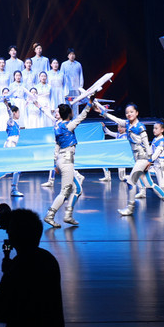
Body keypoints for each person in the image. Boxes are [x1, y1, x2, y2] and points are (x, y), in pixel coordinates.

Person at [35, 73, 111, 228]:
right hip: (67, 161)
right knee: (65, 191)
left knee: (77, 189)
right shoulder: (68, 126)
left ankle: (68, 215)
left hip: (61, 160)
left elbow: (56, 146)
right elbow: (82, 116)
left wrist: (54, 163)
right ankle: (50, 215)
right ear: (68, 114)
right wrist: (90, 103)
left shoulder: (57, 126)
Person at [98, 102, 164, 216]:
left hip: (142, 158)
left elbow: (146, 145)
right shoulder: (127, 124)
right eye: (127, 112)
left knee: (130, 182)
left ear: (137, 113)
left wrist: (149, 161)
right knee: (149, 184)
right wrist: (103, 113)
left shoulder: (140, 127)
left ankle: (130, 208)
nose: (129, 114)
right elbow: (116, 119)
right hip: (137, 159)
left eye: (131, 112)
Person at [0, 102, 24, 197]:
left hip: (12, 146)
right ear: (14, 113)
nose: (19, 114)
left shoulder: (16, 124)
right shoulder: (11, 122)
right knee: (15, 168)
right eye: (18, 112)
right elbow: (10, 115)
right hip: (9, 145)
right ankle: (12, 189)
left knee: (11, 169)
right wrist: (7, 107)